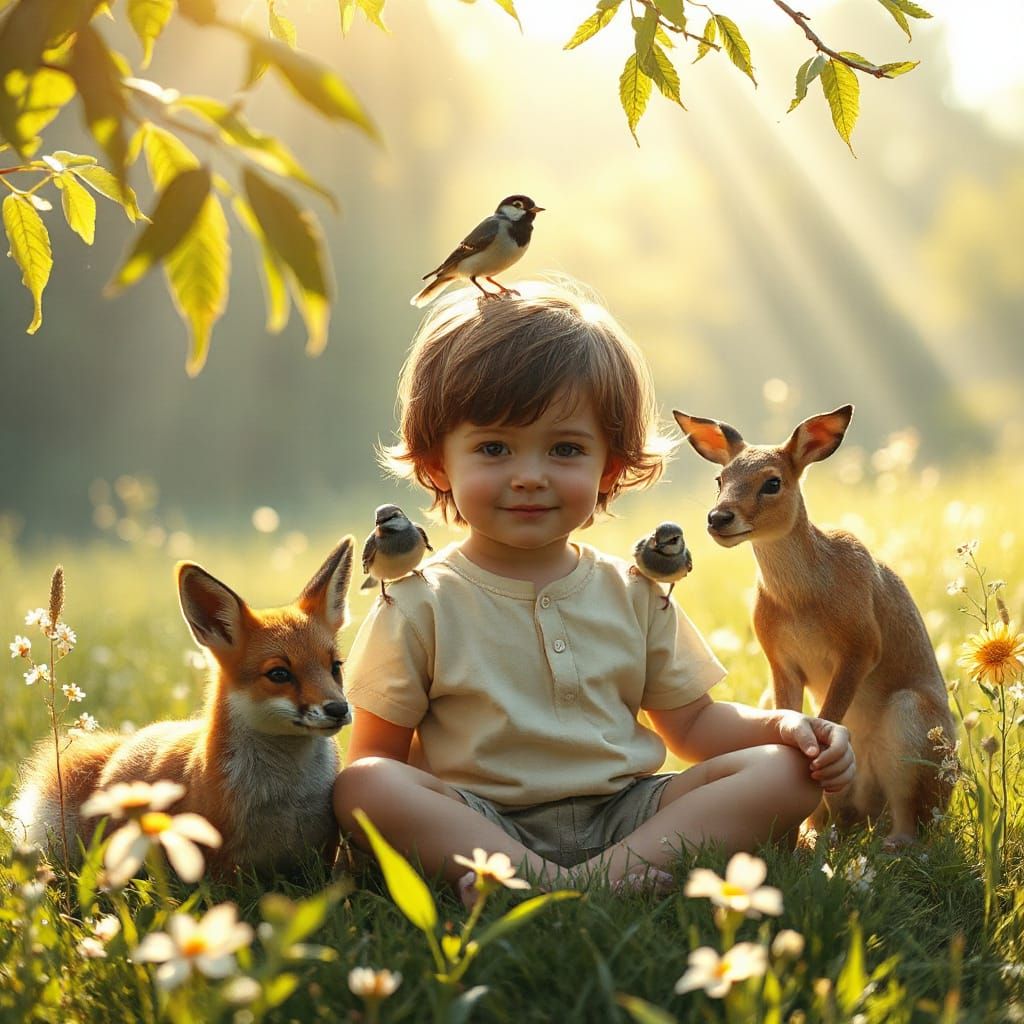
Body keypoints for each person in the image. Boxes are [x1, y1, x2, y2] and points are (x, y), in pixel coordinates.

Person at [333, 279, 855, 900]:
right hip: (482, 822)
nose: (530, 476)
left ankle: (576, 883)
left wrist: (787, 726)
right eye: (495, 448)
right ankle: (573, 883)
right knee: (363, 786)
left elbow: (694, 726)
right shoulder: (418, 602)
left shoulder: (634, 593)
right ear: (436, 462)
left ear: (610, 465)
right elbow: (378, 758)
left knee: (788, 771)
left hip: (629, 814)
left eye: (564, 449)